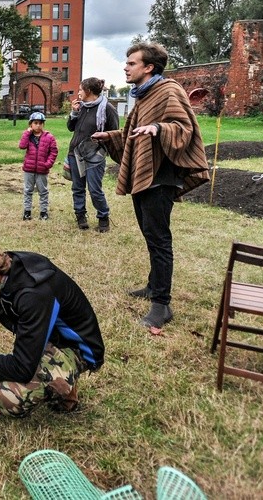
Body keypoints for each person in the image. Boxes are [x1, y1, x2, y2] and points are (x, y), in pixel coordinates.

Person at [92, 42, 209, 329]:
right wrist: (112, 137)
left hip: (161, 176)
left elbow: (184, 128)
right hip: (146, 177)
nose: (126, 67)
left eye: (131, 63)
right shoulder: (144, 95)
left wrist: (158, 128)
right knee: (149, 233)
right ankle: (152, 286)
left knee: (159, 239)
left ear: (149, 67)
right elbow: (134, 132)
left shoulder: (168, 91)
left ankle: (162, 304)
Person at [0, 236, 105, 417]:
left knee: (7, 397)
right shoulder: (5, 269)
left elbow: (22, 368)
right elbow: (16, 311)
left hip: (76, 349)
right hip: (45, 334)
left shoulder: (34, 293)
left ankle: (65, 385)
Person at [67, 77, 119, 232]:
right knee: (77, 188)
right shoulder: (81, 106)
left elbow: (115, 132)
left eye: (80, 90)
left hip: (95, 155)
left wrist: (104, 138)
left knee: (95, 189)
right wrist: (74, 113)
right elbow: (71, 128)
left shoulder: (107, 108)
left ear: (88, 91)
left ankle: (103, 217)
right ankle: (80, 216)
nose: (78, 93)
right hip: (75, 153)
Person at [18, 112, 58, 221]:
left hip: (42, 169)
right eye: (35, 123)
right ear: (30, 124)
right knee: (28, 190)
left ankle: (43, 212)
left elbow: (53, 152)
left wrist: (48, 164)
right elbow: (22, 146)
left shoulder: (49, 137)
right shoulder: (27, 136)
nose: (38, 125)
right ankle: (27, 212)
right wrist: (27, 133)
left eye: (40, 123)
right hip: (29, 169)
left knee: (43, 191)